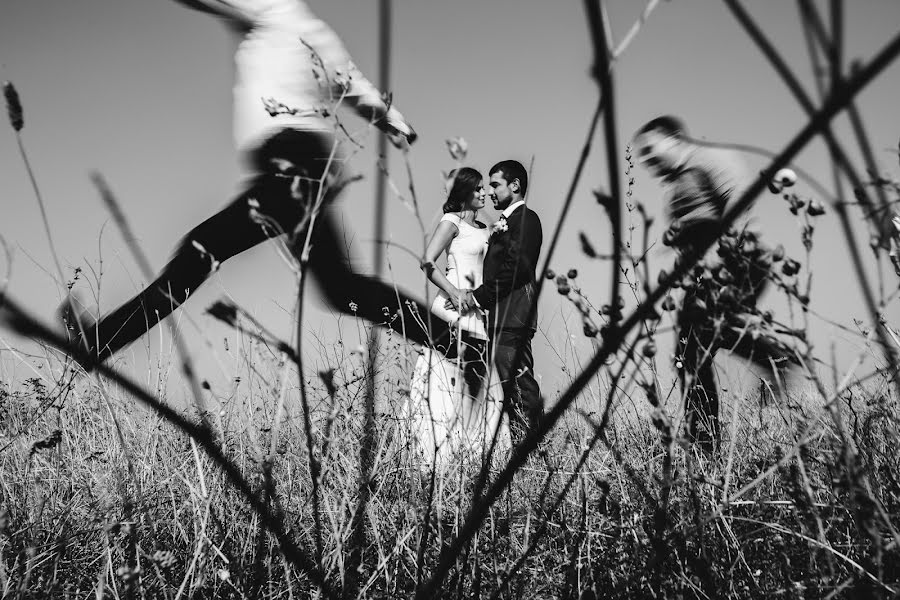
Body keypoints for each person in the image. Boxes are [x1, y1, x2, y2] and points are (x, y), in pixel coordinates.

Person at [61, 0, 456, 365]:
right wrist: (393, 119)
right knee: (342, 290)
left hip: (290, 161)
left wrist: (390, 119)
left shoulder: (273, 6)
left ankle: (99, 343)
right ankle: (459, 345)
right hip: (309, 163)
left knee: (202, 250)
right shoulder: (315, 32)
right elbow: (352, 84)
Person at [634, 115, 798, 449]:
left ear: (674, 139)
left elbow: (739, 207)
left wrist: (728, 260)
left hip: (733, 264)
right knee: (689, 353)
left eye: (651, 150)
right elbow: (696, 223)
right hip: (704, 274)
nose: (647, 160)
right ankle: (704, 441)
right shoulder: (679, 180)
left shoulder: (711, 159)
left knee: (695, 349)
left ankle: (775, 361)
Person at [407, 167, 508, 462]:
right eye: (477, 188)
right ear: (464, 192)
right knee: (442, 379)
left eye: (484, 188)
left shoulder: (487, 226)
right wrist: (453, 292)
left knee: (478, 380)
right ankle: (432, 455)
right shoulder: (451, 222)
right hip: (451, 310)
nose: (483, 193)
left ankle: (477, 455)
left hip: (476, 312)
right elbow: (427, 261)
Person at [454, 160, 543, 443]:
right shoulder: (504, 223)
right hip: (498, 317)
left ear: (515, 186)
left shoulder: (527, 219)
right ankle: (519, 446)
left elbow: (518, 267)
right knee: (505, 388)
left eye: (495, 184)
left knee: (519, 384)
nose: (490, 191)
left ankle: (533, 450)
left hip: (514, 314)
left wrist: (479, 296)